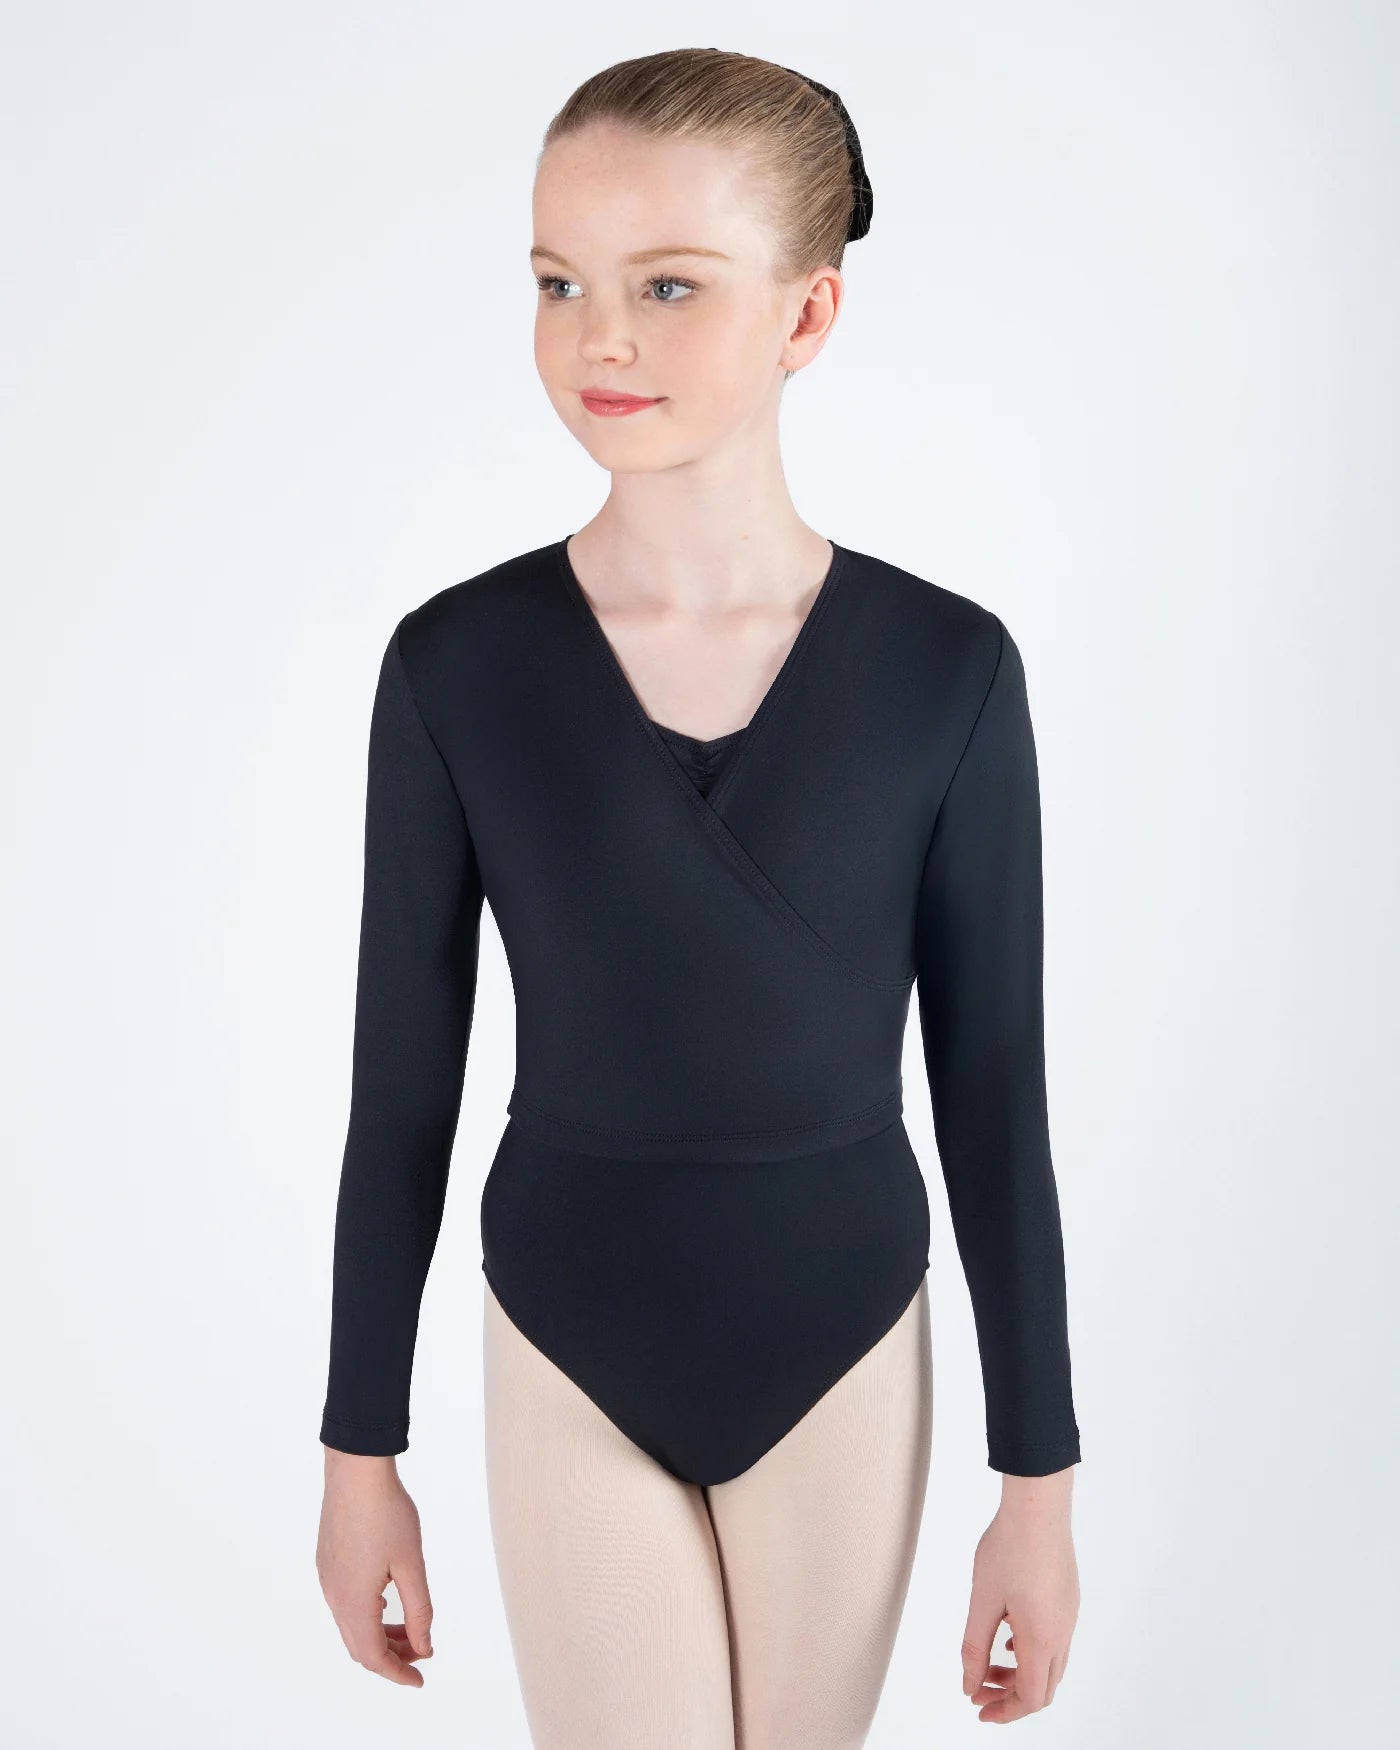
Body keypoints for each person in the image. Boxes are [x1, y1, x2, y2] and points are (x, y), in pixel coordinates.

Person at [315, 46, 1082, 1746]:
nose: (600, 338)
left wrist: (1037, 1485)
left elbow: (995, 1100)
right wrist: (360, 1450)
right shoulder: (457, 666)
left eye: (668, 286)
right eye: (558, 283)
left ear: (808, 314)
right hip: (568, 1330)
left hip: (843, 1335)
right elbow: (400, 1090)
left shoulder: (947, 672)